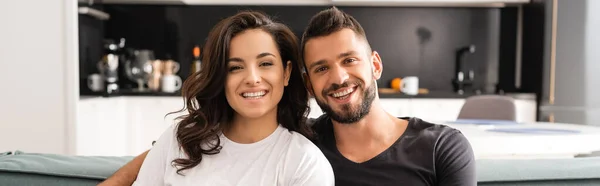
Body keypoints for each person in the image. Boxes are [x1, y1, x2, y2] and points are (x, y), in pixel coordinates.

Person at [100, 7, 476, 186]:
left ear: (375, 64)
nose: (339, 77)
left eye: (349, 60)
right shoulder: (306, 135)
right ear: (307, 83)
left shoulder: (441, 148)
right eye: (322, 68)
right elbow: (197, 147)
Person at [122, 11, 334, 186]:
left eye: (265, 64)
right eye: (235, 67)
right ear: (221, 78)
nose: (252, 78)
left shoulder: (305, 164)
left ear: (286, 73)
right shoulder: (179, 140)